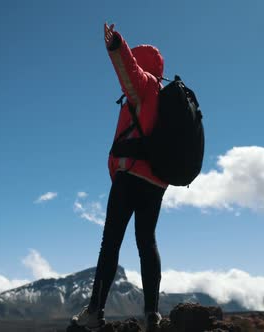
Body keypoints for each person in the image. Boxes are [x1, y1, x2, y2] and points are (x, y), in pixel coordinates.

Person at [71, 23, 168, 331]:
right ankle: (152, 315)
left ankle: (94, 313)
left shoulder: (144, 85)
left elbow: (128, 68)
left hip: (131, 176)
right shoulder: (164, 97)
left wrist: (116, 44)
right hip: (156, 181)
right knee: (146, 241)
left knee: (110, 242)